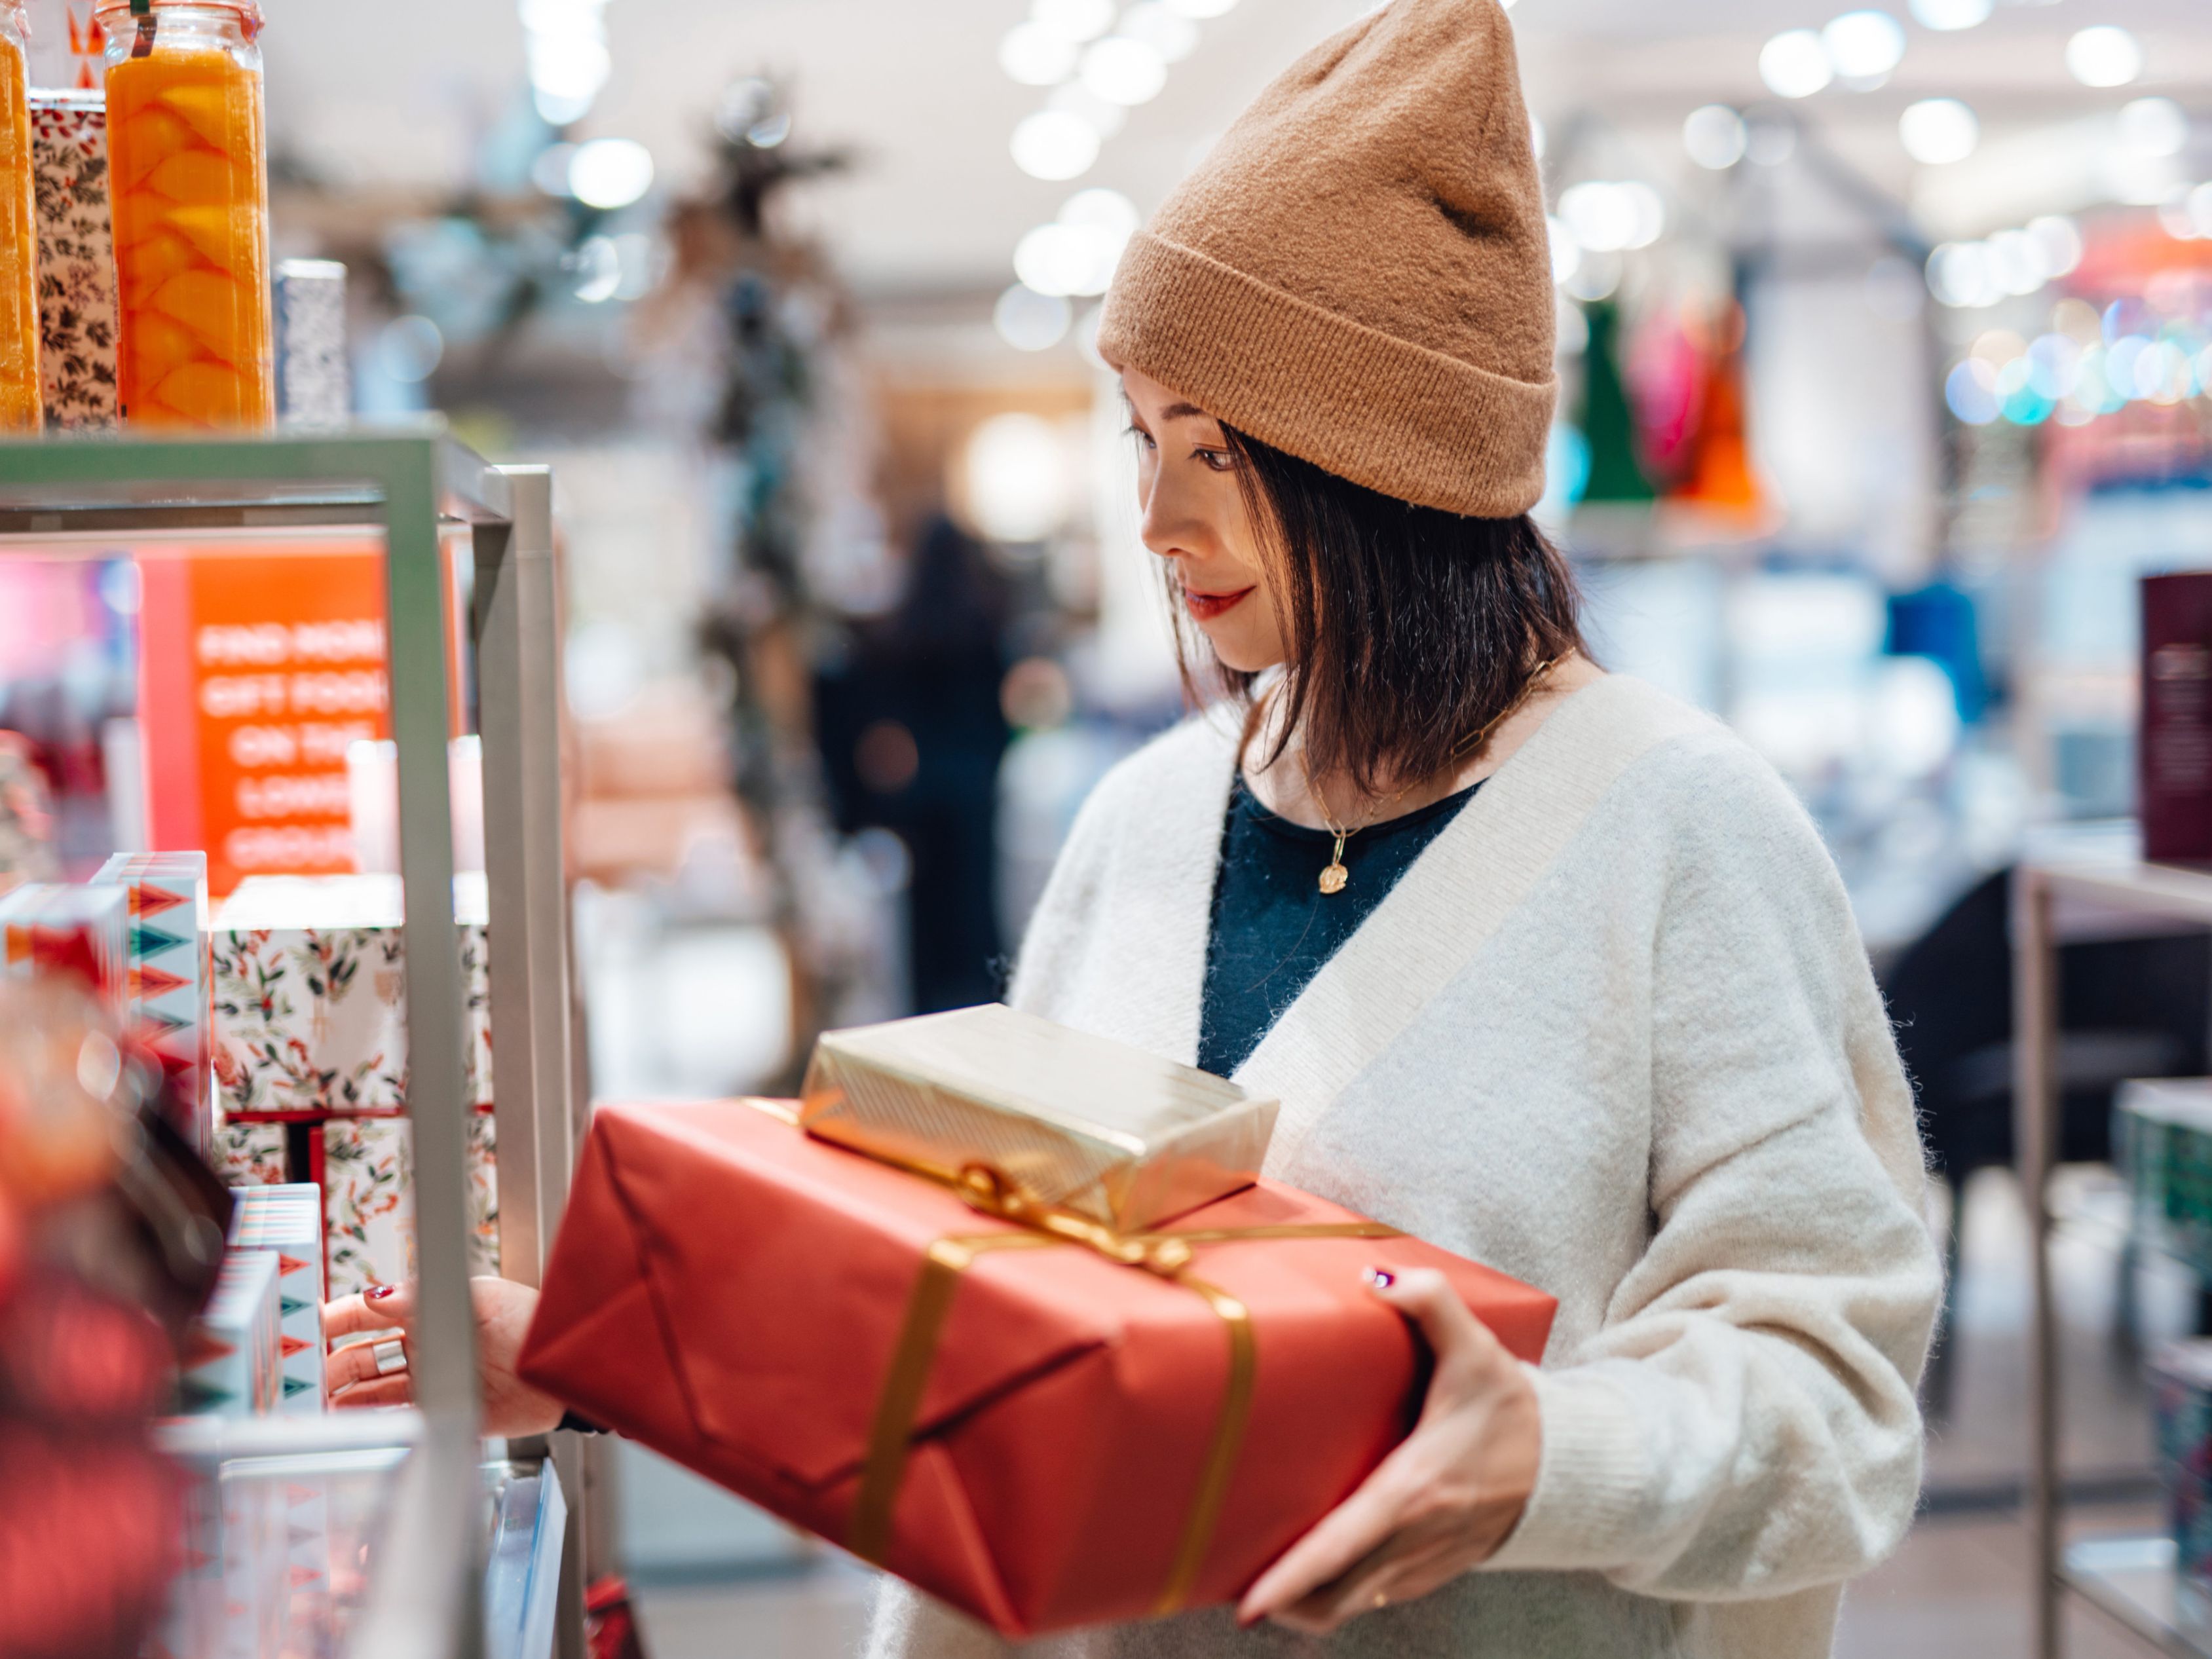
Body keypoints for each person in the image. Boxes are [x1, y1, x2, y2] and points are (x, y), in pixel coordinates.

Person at [326, 2, 1940, 1654]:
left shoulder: (1678, 832)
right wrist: (624, 1359)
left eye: (1219, 452)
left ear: (1381, 464)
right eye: (1146, 443)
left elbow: (1835, 1386)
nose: (1160, 523)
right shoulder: (1151, 819)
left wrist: (1552, 1458)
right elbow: (1007, 1345)